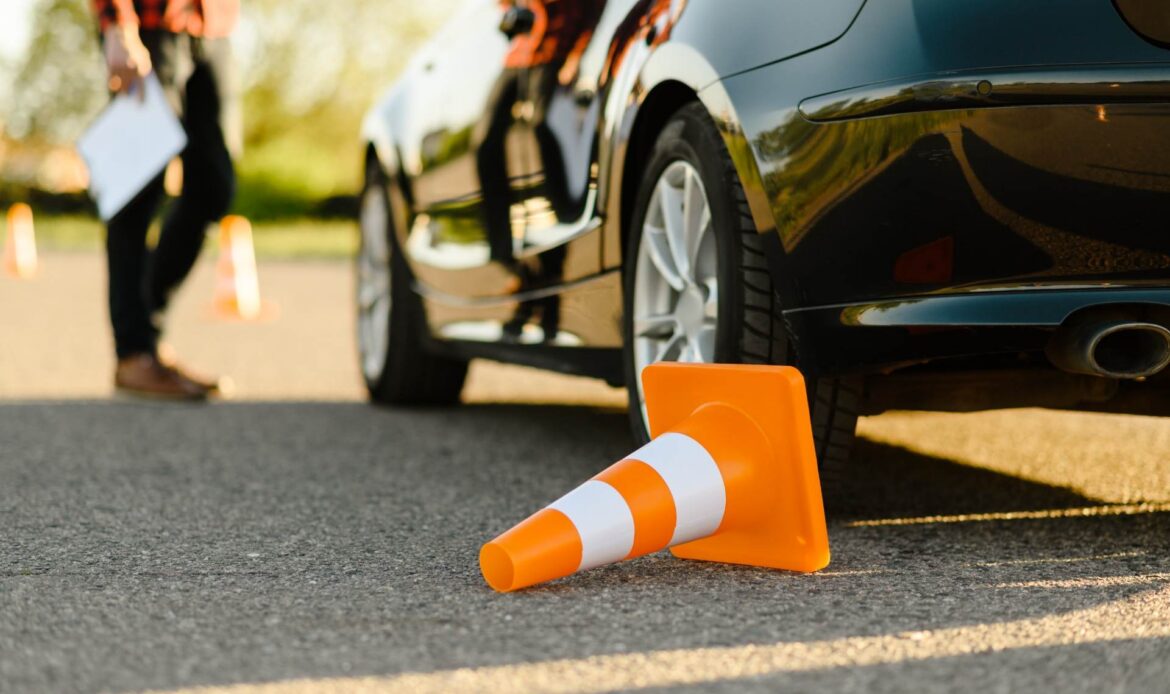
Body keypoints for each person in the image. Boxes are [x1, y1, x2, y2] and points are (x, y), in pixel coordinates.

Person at [91, 0, 240, 399]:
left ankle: (147, 331)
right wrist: (117, 25)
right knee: (136, 190)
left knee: (214, 187)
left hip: (213, 27)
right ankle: (134, 354)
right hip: (149, 26)